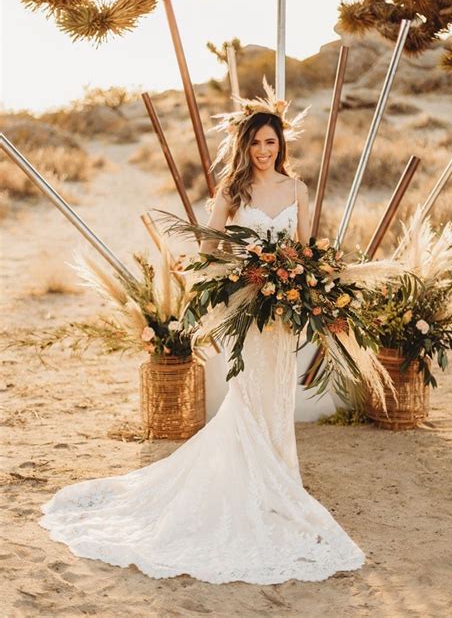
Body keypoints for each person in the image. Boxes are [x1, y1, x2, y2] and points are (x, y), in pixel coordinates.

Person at [39, 88, 366, 585]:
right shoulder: (230, 192)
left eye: (271, 142)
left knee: (277, 393)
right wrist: (244, 270)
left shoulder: (296, 189)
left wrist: (297, 280)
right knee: (248, 392)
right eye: (256, 143)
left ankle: (278, 482)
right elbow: (210, 250)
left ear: (281, 145)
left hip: (282, 309)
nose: (264, 151)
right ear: (244, 146)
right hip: (246, 307)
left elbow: (301, 248)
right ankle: (248, 487)